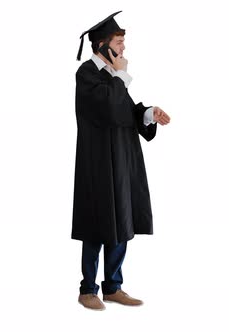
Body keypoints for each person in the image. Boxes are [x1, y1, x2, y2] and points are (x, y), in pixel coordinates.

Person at [72, 11, 171, 310]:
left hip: (122, 161)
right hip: (98, 163)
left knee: (122, 221)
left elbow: (124, 110)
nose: (123, 48)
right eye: (119, 42)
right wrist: (121, 74)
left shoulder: (113, 77)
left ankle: (113, 287)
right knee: (96, 223)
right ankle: (88, 289)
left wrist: (147, 113)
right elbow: (109, 109)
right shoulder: (87, 75)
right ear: (102, 46)